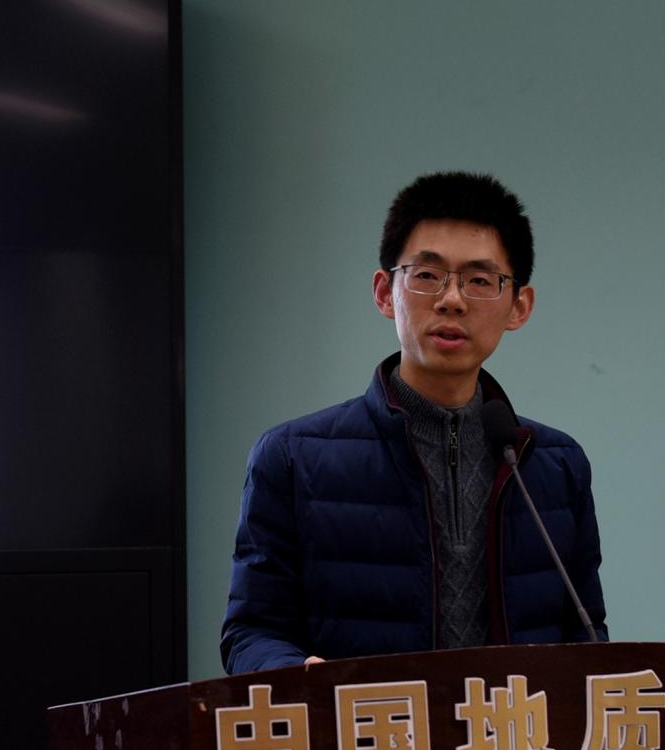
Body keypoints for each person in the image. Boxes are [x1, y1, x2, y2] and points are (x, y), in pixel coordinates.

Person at [220, 170, 607, 674]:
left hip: (511, 726)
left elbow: (587, 638)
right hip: (363, 723)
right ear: (386, 293)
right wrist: (295, 676)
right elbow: (251, 633)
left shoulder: (555, 465)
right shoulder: (293, 457)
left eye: (480, 281)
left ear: (519, 306)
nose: (452, 299)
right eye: (427, 275)